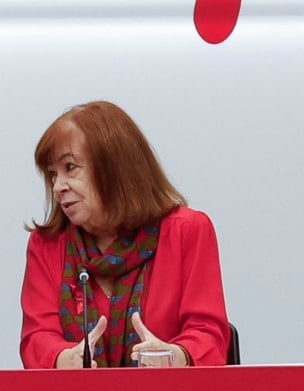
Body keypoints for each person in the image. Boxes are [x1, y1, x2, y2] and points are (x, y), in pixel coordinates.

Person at [20, 101, 229, 368]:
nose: (58, 186)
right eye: (52, 175)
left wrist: (175, 356)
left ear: (114, 168)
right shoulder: (47, 244)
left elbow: (209, 335)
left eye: (70, 168)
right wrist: (63, 358)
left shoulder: (187, 231)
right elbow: (37, 338)